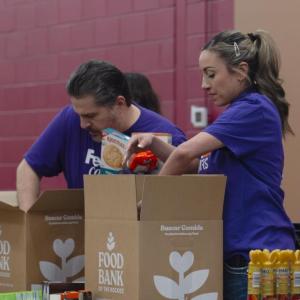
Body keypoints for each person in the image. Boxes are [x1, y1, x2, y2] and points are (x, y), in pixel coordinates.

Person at [125, 30, 296, 300]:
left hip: (256, 256)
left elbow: (183, 155)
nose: (204, 84)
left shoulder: (253, 109)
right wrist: (154, 144)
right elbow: (195, 164)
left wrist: (150, 203)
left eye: (211, 74)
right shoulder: (239, 113)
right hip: (238, 254)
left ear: (241, 71)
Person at [16, 60, 186, 213]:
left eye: (91, 116)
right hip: (84, 236)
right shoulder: (70, 119)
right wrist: (28, 223)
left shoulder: (166, 135)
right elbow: (28, 168)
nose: (83, 124)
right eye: (79, 115)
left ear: (119, 103)